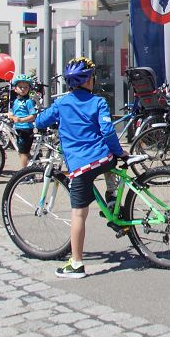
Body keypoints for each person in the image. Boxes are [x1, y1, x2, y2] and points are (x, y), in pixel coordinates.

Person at [35, 57, 127, 278]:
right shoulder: (98, 102)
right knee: (109, 162)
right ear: (88, 81)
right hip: (102, 159)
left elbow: (40, 122)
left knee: (78, 214)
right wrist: (119, 151)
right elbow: (107, 131)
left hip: (80, 165)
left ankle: (76, 264)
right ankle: (112, 195)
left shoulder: (61, 104)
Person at [9, 74, 39, 170]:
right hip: (18, 128)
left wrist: (21, 120)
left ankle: (24, 173)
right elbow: (13, 113)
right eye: (20, 87)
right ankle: (31, 167)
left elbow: (33, 116)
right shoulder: (16, 101)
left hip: (26, 129)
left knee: (23, 152)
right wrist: (10, 115)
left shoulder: (28, 101)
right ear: (15, 89)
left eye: (26, 87)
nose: (23, 89)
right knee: (22, 151)